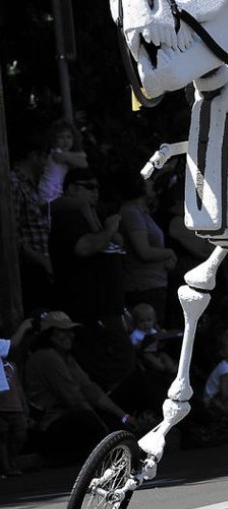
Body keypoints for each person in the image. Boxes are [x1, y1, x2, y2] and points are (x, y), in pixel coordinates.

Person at [48, 168, 135, 392]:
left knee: (122, 364)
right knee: (111, 367)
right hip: (90, 311)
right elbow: (84, 247)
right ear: (71, 189)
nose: (96, 192)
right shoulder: (66, 217)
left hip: (109, 308)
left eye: (97, 187)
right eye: (89, 187)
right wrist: (108, 230)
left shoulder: (91, 215)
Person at [24, 311, 137, 464]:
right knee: (90, 422)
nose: (69, 335)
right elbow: (73, 398)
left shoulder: (67, 358)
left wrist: (123, 416)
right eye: (62, 331)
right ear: (49, 334)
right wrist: (101, 427)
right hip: (51, 424)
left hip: (72, 415)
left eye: (69, 331)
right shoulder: (47, 357)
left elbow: (90, 388)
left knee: (114, 420)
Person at [118, 170, 177, 325]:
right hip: (143, 287)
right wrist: (169, 253)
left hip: (154, 284)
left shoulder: (142, 212)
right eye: (148, 181)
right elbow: (143, 251)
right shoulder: (131, 212)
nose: (151, 184)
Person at [9, 131, 54, 312]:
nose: (47, 163)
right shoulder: (14, 183)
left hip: (42, 267)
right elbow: (12, 233)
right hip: (31, 270)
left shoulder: (33, 185)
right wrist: (43, 261)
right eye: (45, 157)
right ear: (34, 156)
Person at [0, 317, 33, 477]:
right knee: (2, 438)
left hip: (14, 407)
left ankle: (11, 462)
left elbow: (18, 387)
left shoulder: (12, 366)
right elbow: (12, 344)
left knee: (20, 433)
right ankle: (6, 467)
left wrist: (24, 404)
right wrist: (25, 326)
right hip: (1, 406)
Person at [38, 118, 89, 205]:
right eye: (61, 137)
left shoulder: (65, 155)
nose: (66, 141)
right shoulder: (56, 153)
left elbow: (83, 160)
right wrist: (82, 155)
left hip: (54, 196)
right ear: (54, 140)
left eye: (69, 137)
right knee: (83, 204)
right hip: (48, 197)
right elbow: (84, 163)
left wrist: (81, 155)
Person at [129, 303, 179, 376]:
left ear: (154, 320)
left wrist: (163, 336)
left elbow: (160, 344)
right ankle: (163, 369)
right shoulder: (136, 334)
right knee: (152, 359)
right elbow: (133, 348)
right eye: (142, 321)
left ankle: (172, 368)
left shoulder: (154, 331)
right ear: (136, 322)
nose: (146, 324)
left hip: (156, 351)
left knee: (165, 357)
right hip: (144, 353)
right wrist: (140, 344)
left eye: (149, 320)